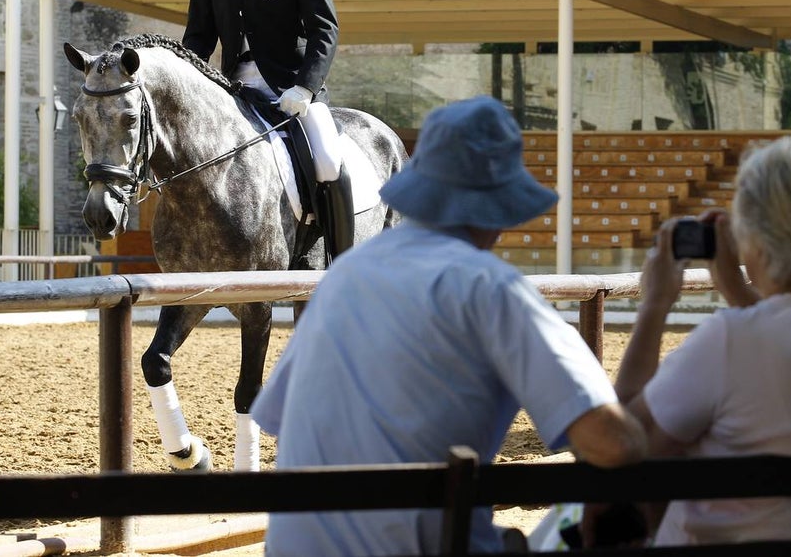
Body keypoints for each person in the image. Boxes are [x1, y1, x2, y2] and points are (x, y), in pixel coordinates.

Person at [251, 95, 647, 556]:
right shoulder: (491, 289)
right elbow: (614, 444)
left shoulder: (344, 276)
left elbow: (279, 421)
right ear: (501, 208)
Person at [610, 133, 791, 545]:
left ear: (755, 241)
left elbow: (621, 441)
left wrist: (655, 304)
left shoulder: (729, 339)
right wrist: (735, 288)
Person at [182, 0, 352, 263]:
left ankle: (340, 261)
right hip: (232, 89)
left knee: (328, 160)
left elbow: (324, 29)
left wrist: (306, 87)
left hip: (291, 90)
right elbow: (199, 38)